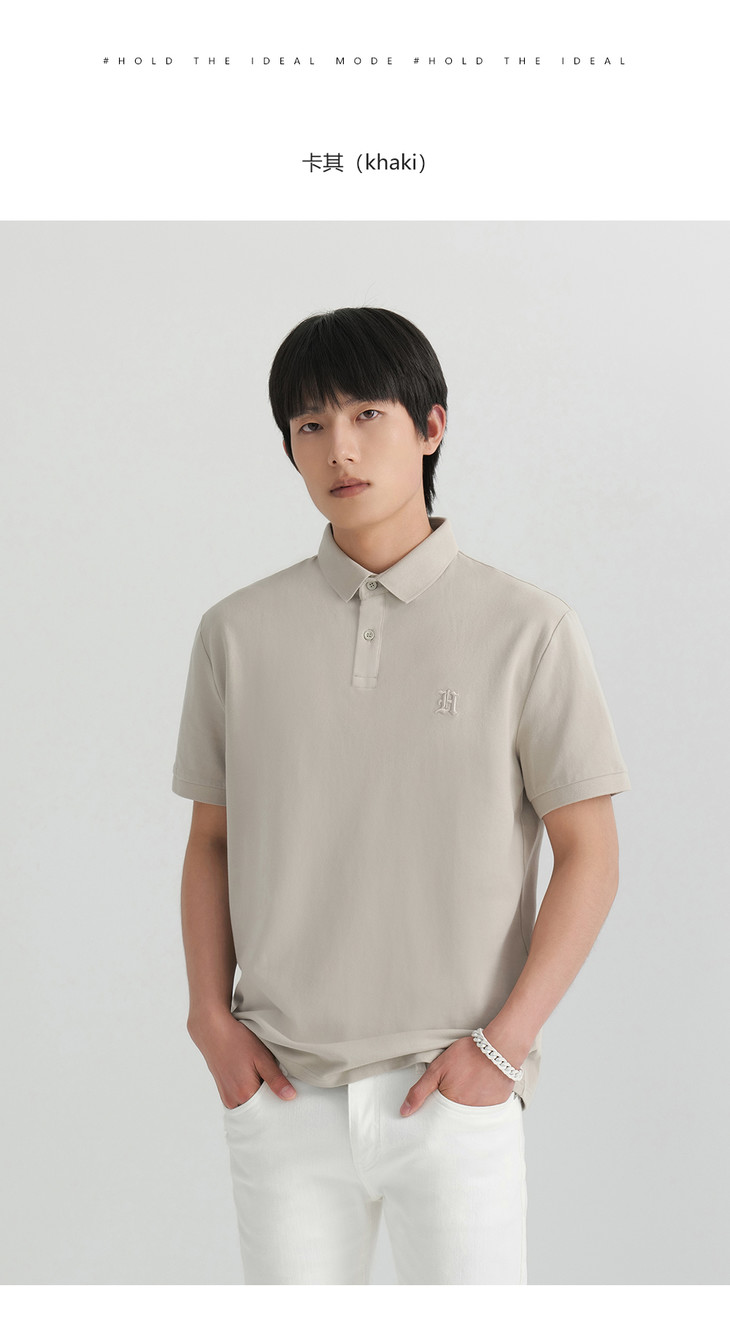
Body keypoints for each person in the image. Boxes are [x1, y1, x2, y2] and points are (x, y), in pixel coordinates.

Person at [172, 306, 631, 1285]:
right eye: (308, 425)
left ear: (431, 427)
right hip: (282, 1090)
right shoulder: (235, 634)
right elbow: (212, 839)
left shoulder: (528, 629)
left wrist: (504, 1047)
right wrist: (209, 1016)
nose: (337, 448)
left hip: (453, 1088)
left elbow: (590, 852)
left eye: (366, 415)